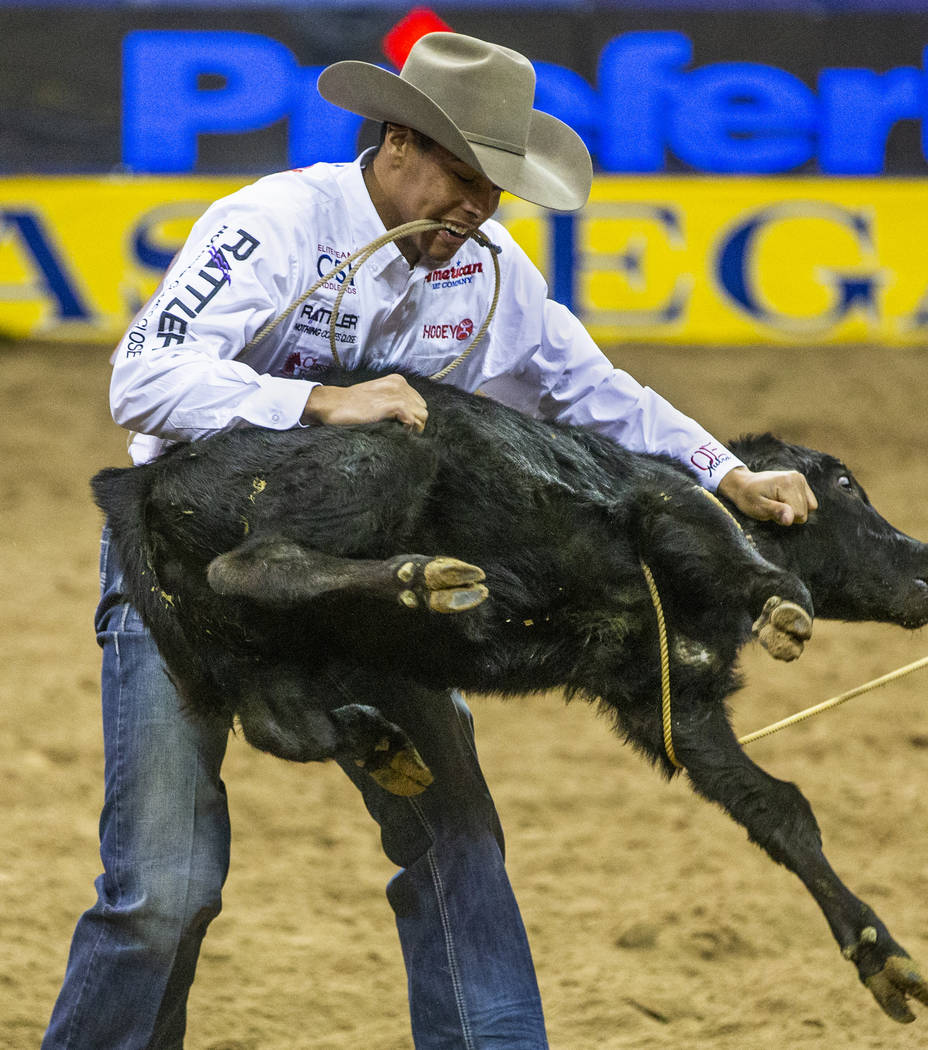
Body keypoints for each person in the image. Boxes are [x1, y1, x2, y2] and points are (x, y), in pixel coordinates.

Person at [43, 32, 817, 1050]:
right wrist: (320, 401)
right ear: (400, 143)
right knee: (164, 890)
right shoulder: (273, 223)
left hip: (374, 579)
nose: (482, 209)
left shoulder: (489, 272)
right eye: (465, 177)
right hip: (188, 567)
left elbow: (593, 394)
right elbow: (142, 381)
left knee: (458, 848)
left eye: (497, 189)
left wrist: (727, 473)